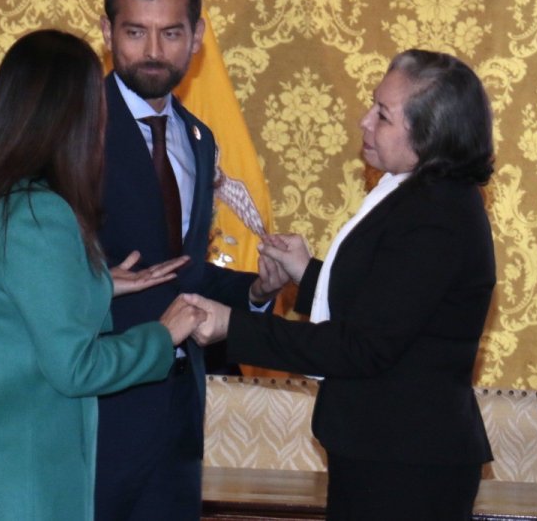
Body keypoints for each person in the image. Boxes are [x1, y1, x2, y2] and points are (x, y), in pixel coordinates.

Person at [187, 49, 497, 520]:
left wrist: (234, 325)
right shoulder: (418, 194)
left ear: (429, 133)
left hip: (407, 464)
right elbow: (385, 303)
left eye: (383, 115)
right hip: (386, 450)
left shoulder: (436, 215)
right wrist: (305, 272)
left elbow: (363, 344)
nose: (364, 121)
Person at [0, 29, 206, 520]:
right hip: (23, 469)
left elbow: (7, 302)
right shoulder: (41, 214)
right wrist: (163, 336)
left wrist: (96, 283)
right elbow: (76, 368)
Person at [94, 0, 289, 520]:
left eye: (171, 33)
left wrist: (256, 292)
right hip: (95, 410)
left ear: (197, 36)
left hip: (179, 414)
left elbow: (183, 274)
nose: (153, 51)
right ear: (107, 32)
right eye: (136, 32)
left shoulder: (199, 139)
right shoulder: (74, 129)